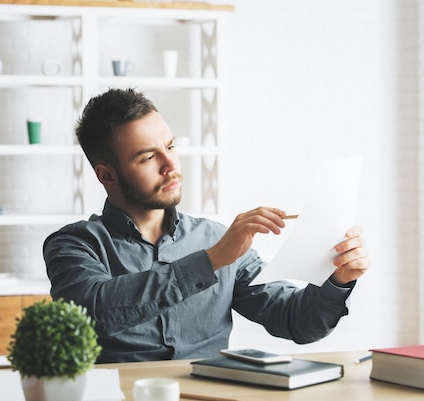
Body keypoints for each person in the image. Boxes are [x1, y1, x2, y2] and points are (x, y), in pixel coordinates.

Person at [43, 88, 370, 363]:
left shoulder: (217, 238)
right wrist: (211, 260)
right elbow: (95, 311)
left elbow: (297, 322)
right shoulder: (74, 244)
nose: (171, 166)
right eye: (147, 157)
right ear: (107, 175)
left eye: (170, 147)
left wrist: (337, 280)